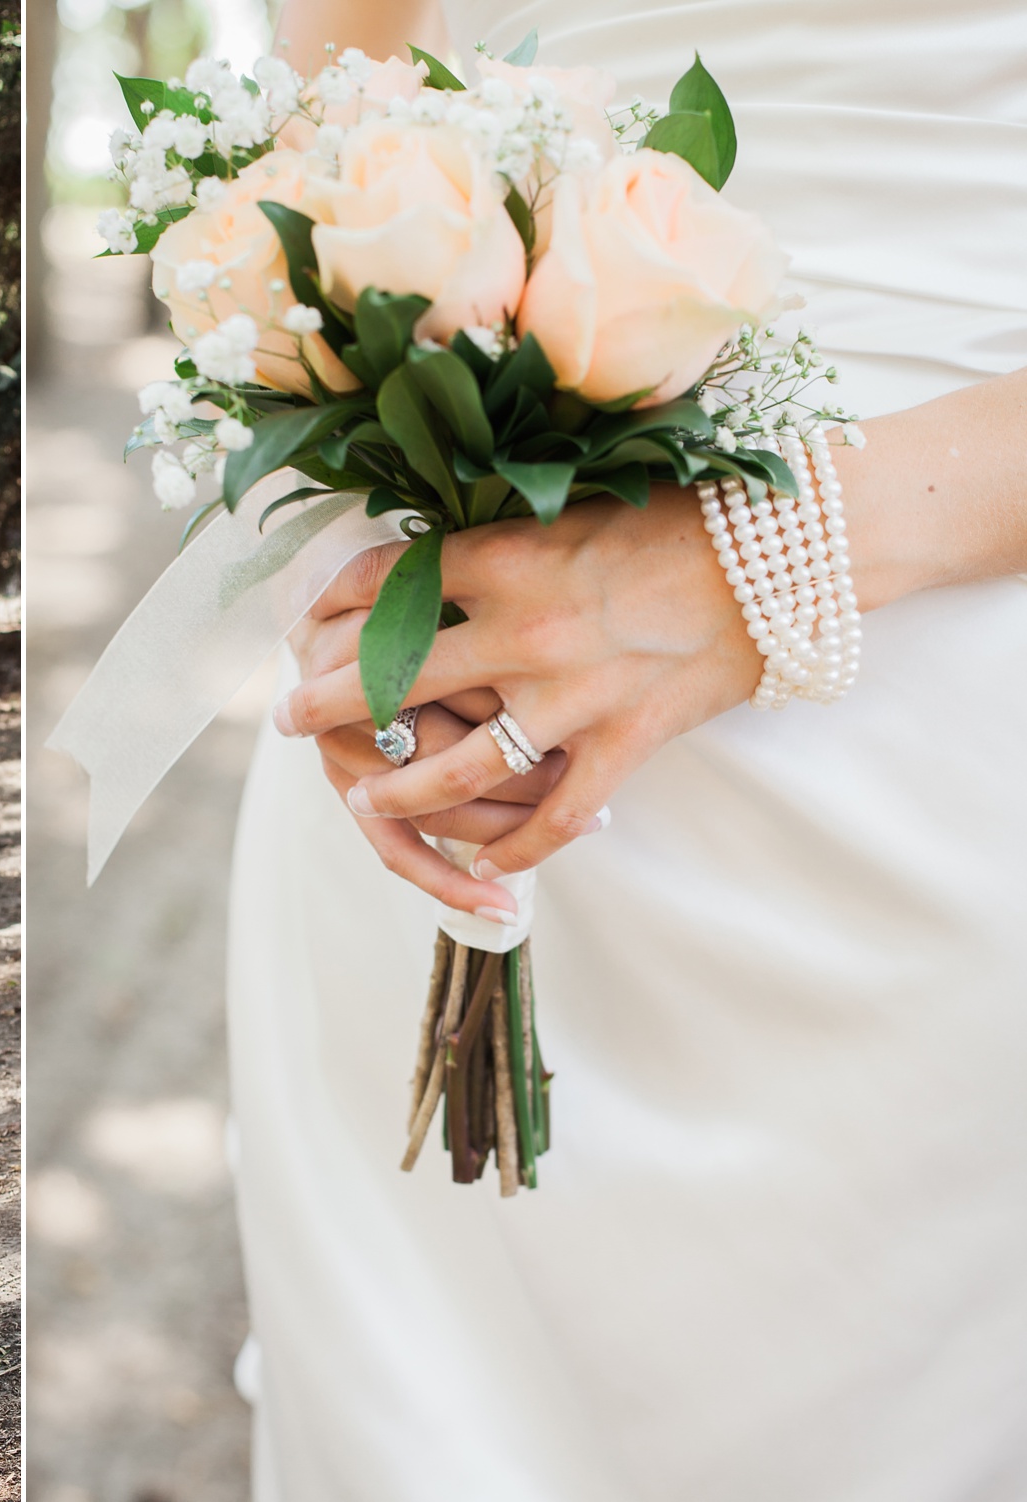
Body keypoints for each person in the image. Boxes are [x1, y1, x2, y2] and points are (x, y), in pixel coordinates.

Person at [226, 1, 1027, 1495]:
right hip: (433, 762)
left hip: (944, 760)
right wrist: (362, 614)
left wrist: (752, 560)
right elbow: (312, 151)